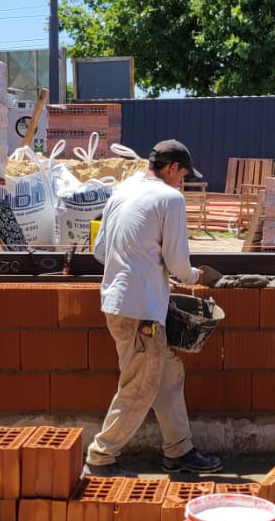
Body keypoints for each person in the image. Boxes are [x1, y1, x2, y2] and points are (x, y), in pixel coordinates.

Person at [85, 139, 223, 476]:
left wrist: (138, 261)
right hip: (141, 310)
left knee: (167, 373)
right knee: (140, 387)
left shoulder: (122, 191)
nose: (183, 183)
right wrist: (197, 276)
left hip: (118, 303)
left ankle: (179, 450)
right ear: (172, 168)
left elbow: (100, 252)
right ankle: (100, 458)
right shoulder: (169, 198)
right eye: (183, 175)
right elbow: (178, 265)